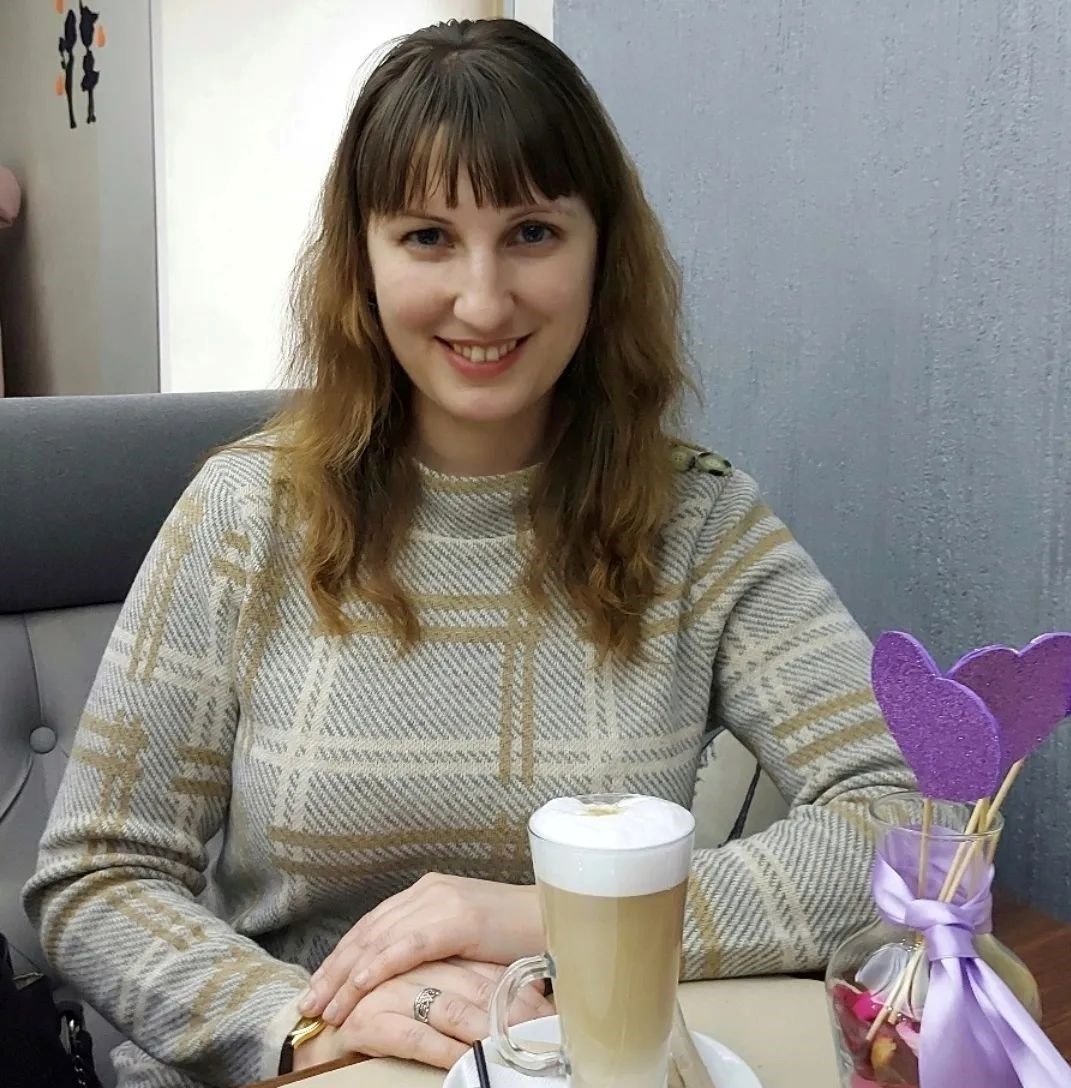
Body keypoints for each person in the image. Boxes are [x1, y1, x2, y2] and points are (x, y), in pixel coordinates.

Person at [23, 17, 913, 1087]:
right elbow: (95, 878)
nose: (483, 300)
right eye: (427, 237)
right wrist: (303, 1020)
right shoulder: (245, 513)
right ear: (361, 258)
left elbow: (914, 823)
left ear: (601, 251)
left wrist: (545, 918)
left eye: (532, 231)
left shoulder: (699, 520)